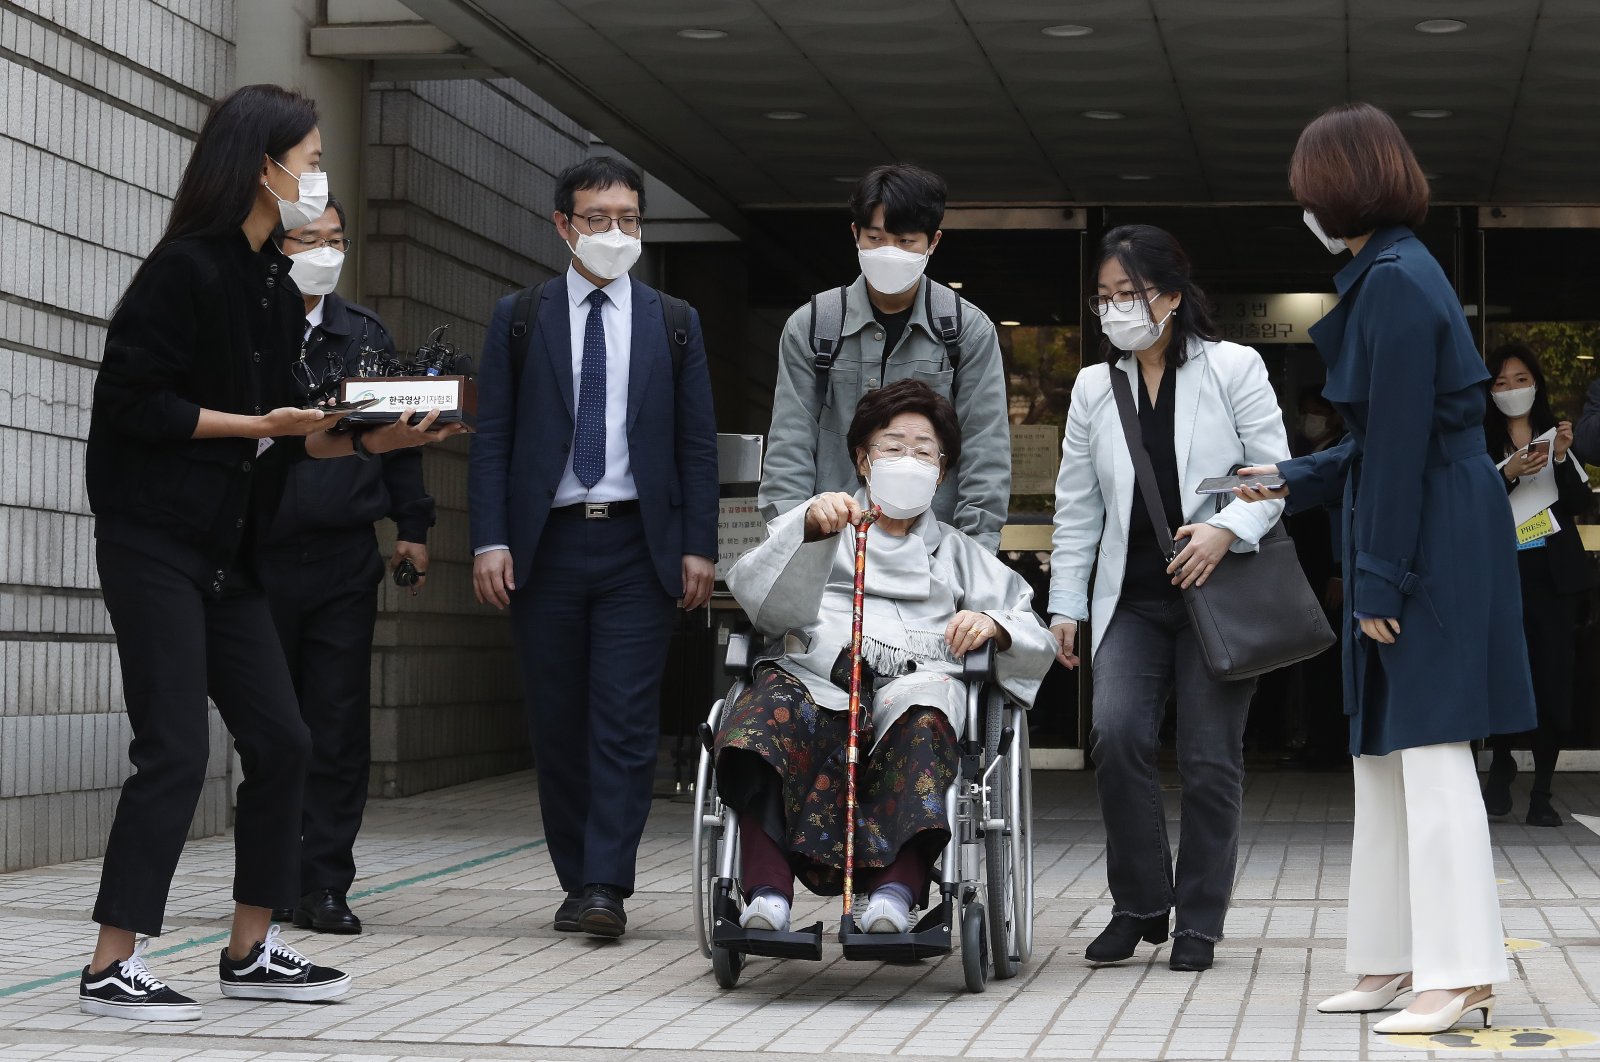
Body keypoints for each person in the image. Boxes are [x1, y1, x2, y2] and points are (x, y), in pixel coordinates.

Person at [80, 84, 464, 1022]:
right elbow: (132, 407)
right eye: (313, 159)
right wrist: (260, 422)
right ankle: (107, 965)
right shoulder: (187, 270)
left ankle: (251, 947)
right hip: (154, 541)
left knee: (286, 740)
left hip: (228, 550)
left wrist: (386, 441)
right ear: (264, 167)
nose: (319, 177)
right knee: (172, 750)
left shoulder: (264, 281)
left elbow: (302, 436)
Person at [1235, 102, 1535, 1035]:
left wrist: (1376, 581)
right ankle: (1394, 957)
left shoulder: (1398, 282)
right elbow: (1382, 441)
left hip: (1430, 533)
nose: (1303, 206)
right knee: (1383, 754)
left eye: (1305, 190)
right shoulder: (1393, 274)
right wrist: (1291, 476)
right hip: (1421, 518)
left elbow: (1401, 450)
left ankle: (1459, 969)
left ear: (1338, 187)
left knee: (1433, 748)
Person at [468, 157, 719, 939]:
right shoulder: (519, 316)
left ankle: (608, 883)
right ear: (563, 224)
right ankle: (575, 876)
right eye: (598, 217)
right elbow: (494, 441)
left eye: (630, 218)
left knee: (623, 719)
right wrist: (490, 540)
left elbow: (695, 445)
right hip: (546, 546)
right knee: (558, 720)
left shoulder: (674, 321)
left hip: (637, 546)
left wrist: (698, 546)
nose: (616, 232)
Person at [719, 380, 1055, 933]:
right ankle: (765, 897)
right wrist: (803, 531)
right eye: (892, 446)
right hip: (817, 680)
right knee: (759, 713)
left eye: (924, 451)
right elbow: (763, 605)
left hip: (914, 688)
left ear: (942, 472)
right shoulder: (821, 525)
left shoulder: (957, 552)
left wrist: (993, 624)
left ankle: (894, 898)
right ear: (862, 459)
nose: (908, 460)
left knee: (928, 721)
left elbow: (1028, 625)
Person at [1047, 224, 1290, 974]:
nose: (1116, 309)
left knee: (1209, 760)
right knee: (1117, 737)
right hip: (1132, 600)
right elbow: (1078, 504)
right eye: (1105, 297)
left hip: (1217, 595)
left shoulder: (1233, 367)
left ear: (1173, 297)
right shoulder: (1096, 387)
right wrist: (1067, 603)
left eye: (1131, 294)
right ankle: (1141, 905)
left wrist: (1225, 530)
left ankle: (1200, 922)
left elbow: (1274, 474)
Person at [261, 198, 437, 933]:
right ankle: (269, 877)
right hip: (259, 555)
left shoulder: (363, 334)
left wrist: (413, 526)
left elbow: (398, 434)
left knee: (337, 724)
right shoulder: (247, 328)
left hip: (342, 556)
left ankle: (326, 882)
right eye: (310, 239)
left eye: (337, 238)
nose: (327, 250)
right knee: (271, 727)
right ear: (274, 247)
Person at [758, 164, 1011, 551]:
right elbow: (790, 443)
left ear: (933, 242)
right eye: (875, 238)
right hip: (832, 547)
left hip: (933, 548)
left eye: (905, 241)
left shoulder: (967, 331)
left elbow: (985, 451)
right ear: (855, 234)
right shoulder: (813, 325)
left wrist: (974, 556)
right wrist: (793, 535)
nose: (888, 252)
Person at [1481, 344, 1594, 827]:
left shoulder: (1554, 433)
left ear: (1537, 383)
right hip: (1499, 577)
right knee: (1506, 674)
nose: (1512, 391)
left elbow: (1577, 502)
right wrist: (1506, 473)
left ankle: (1543, 793)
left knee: (1553, 678)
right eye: (1501, 383)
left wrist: (1563, 458)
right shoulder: (1476, 438)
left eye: (1521, 379)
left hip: (1553, 579)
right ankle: (1501, 764)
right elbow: (1466, 503)